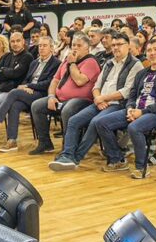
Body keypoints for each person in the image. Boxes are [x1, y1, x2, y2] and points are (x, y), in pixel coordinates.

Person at [48, 32, 145, 171]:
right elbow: (96, 86)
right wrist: (98, 99)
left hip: (119, 104)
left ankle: (75, 158)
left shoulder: (135, 65)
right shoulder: (109, 63)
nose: (116, 48)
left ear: (128, 46)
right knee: (74, 120)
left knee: (95, 122)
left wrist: (103, 98)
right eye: (114, 45)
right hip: (101, 102)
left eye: (119, 45)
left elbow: (127, 91)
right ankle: (67, 155)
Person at [93, 38, 156, 178]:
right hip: (136, 110)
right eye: (149, 50)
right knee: (101, 123)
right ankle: (117, 160)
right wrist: (130, 108)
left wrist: (142, 112)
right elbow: (132, 95)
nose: (152, 53)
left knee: (134, 127)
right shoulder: (142, 73)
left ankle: (142, 168)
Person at [0, 34, 61, 152]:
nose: (41, 48)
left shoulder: (56, 63)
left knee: (14, 92)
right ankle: (12, 141)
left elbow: (49, 83)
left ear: (51, 48)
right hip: (28, 92)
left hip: (43, 94)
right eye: (40, 45)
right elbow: (27, 78)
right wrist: (26, 86)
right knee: (14, 105)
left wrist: (28, 86)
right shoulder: (34, 63)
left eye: (45, 46)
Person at [29, 34, 100, 155]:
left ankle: (68, 147)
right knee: (37, 105)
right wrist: (51, 96)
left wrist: (72, 64)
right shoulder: (66, 60)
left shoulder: (90, 61)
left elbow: (79, 80)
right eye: (73, 45)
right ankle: (45, 143)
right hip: (60, 99)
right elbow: (55, 80)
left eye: (79, 45)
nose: (75, 48)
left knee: (68, 109)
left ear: (87, 48)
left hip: (82, 101)